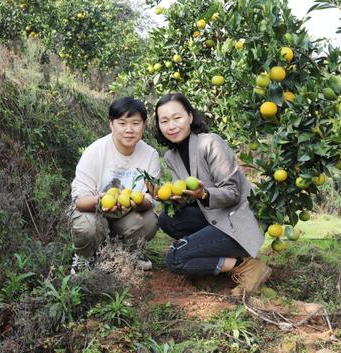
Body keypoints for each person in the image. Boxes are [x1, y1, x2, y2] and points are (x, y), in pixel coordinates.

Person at [153, 93, 270, 296]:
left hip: (237, 221)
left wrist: (204, 194)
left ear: (190, 117)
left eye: (177, 118)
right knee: (167, 219)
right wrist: (168, 198)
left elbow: (232, 192)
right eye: (164, 121)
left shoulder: (210, 143)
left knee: (176, 259)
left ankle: (247, 266)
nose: (171, 126)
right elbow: (187, 194)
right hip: (214, 218)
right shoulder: (171, 156)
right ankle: (222, 259)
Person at [69, 97, 159, 270]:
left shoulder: (150, 155)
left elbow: (151, 199)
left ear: (144, 125)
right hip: (94, 213)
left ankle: (126, 253)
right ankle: (84, 257)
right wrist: (100, 201)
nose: (129, 130)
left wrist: (139, 201)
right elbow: (79, 202)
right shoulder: (95, 151)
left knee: (149, 219)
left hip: (126, 217)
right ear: (111, 124)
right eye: (122, 123)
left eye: (135, 123)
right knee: (87, 225)